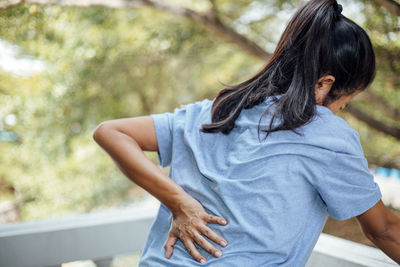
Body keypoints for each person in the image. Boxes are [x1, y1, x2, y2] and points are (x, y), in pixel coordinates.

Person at [92, 0, 400, 266]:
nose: (338, 113)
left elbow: (112, 132)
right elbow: (383, 230)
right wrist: (180, 202)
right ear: (324, 84)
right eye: (344, 105)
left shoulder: (216, 110)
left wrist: (178, 202)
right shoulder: (327, 134)